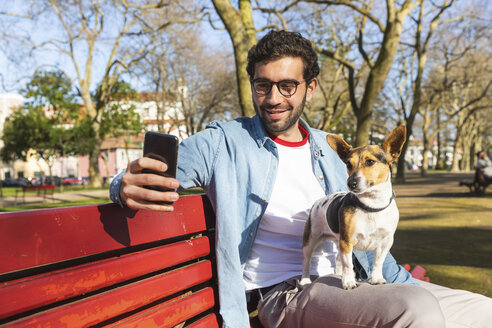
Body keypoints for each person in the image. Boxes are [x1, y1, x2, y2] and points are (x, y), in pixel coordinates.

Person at [110, 31, 492, 328]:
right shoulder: (222, 142)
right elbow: (154, 171)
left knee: (482, 311)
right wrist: (122, 184)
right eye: (263, 85)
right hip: (285, 293)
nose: (273, 98)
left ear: (310, 87)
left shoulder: (329, 149)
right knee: (417, 310)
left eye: (287, 86)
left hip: (353, 281)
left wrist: (400, 278)